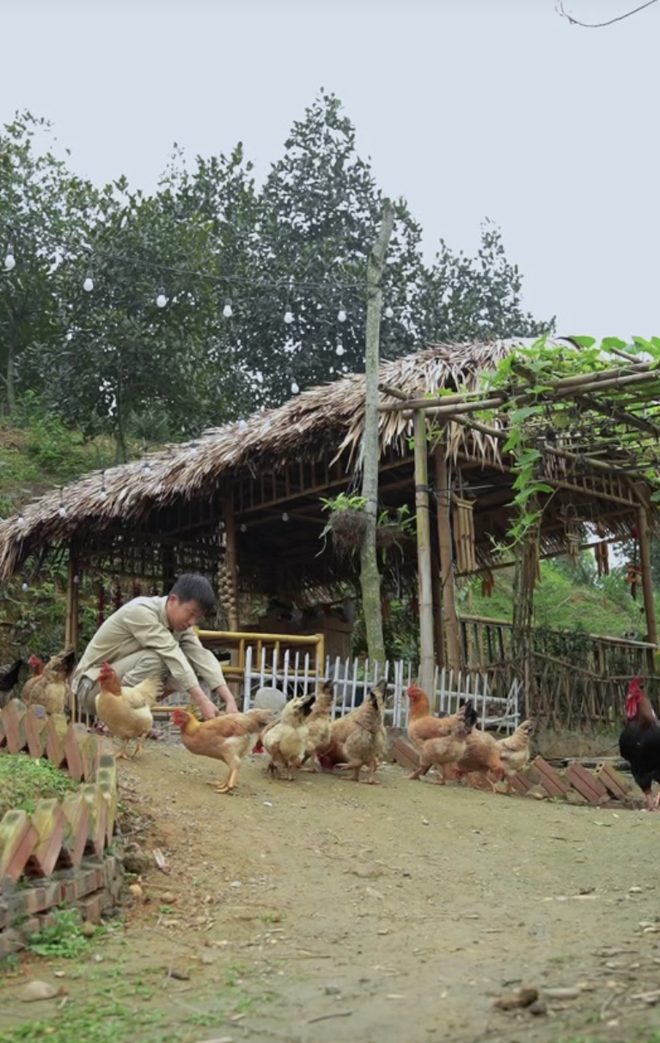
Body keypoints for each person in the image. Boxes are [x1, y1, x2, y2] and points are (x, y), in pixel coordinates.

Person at [73, 573, 238, 720]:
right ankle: (120, 716)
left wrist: (229, 700)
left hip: (112, 687)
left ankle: (134, 719)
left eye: (198, 617)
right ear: (173, 600)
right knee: (162, 659)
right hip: (91, 687)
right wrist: (203, 701)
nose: (192, 622)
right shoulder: (141, 611)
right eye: (191, 613)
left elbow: (202, 657)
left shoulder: (181, 628)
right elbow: (170, 653)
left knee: (189, 664)